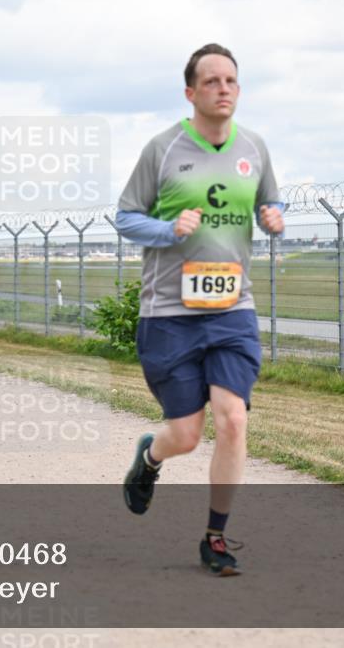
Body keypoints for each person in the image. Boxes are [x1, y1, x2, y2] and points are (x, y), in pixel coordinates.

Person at [116, 44, 285, 576]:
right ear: (190, 92)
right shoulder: (163, 149)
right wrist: (168, 229)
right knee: (185, 435)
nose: (224, 89)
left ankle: (216, 536)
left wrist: (273, 215)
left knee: (233, 419)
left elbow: (270, 200)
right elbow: (124, 217)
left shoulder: (254, 147)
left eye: (231, 80)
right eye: (211, 81)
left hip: (233, 308)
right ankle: (150, 458)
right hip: (168, 312)